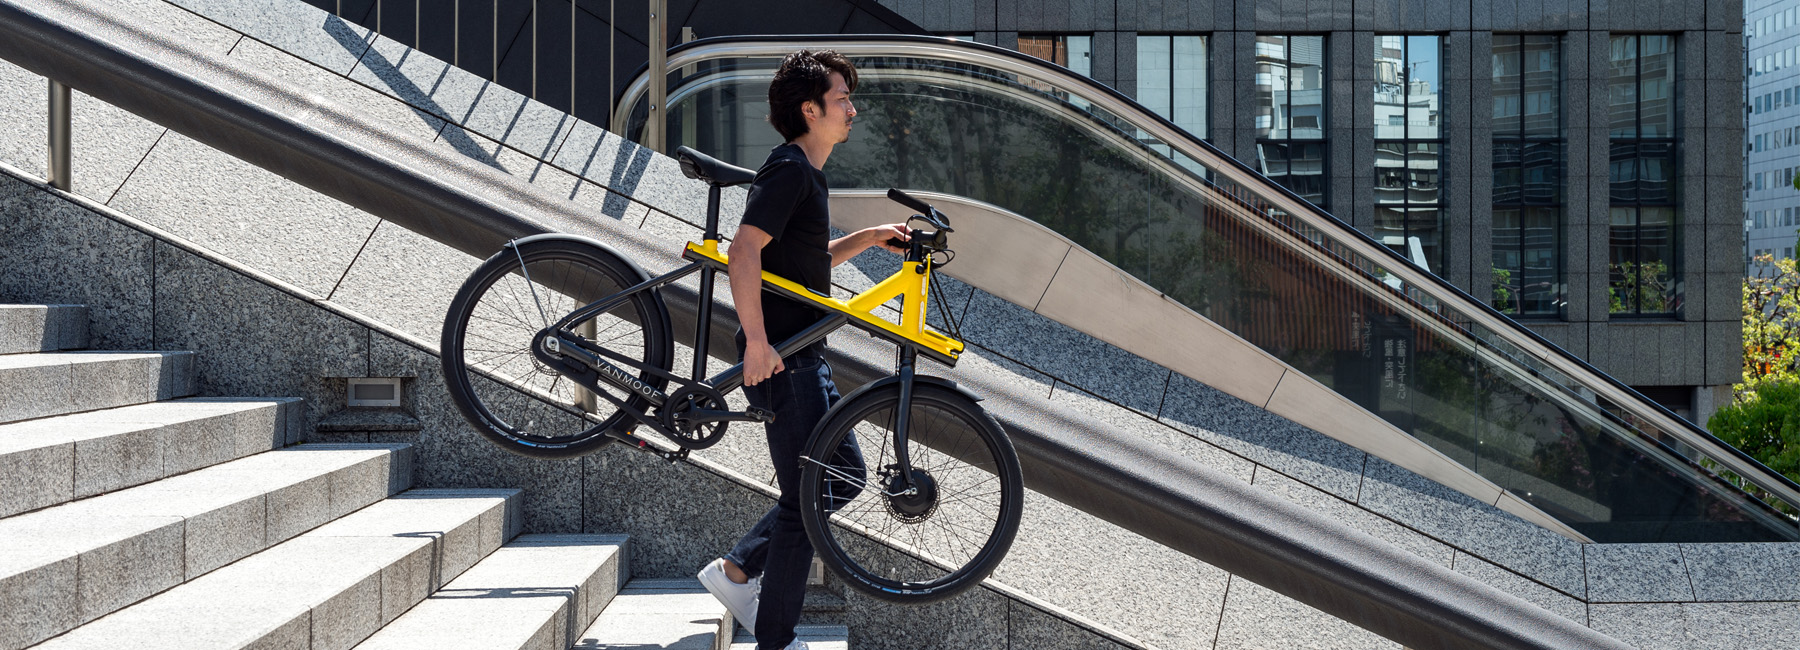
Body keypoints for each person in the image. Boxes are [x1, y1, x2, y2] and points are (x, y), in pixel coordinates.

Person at [695, 49, 910, 650]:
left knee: (842, 477)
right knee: (805, 497)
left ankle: (738, 569)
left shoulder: (807, 174)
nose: (852, 109)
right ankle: (774, 635)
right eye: (842, 99)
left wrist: (868, 237)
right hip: (784, 358)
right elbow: (744, 251)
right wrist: (757, 343)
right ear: (810, 110)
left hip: (803, 353)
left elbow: (801, 265)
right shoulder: (790, 170)